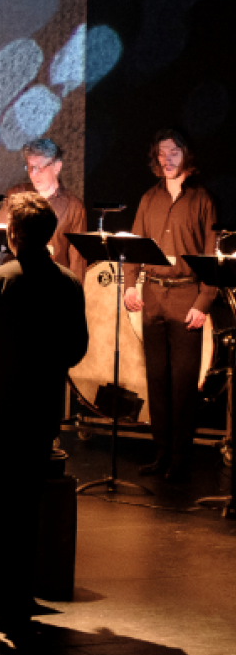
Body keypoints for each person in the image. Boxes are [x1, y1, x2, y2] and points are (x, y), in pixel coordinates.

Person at [0, 192, 88, 624]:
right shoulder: (67, 283)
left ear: (11, 234)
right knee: (27, 504)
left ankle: (2, 598)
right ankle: (21, 596)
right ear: (51, 235)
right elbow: (76, 349)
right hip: (41, 409)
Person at [123, 129, 216, 482]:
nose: (167, 159)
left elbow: (211, 255)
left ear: (185, 155)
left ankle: (180, 457)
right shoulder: (149, 198)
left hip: (185, 296)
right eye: (161, 153)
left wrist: (204, 301)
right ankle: (161, 452)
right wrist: (131, 285)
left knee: (182, 382)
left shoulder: (203, 199)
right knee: (157, 380)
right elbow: (134, 244)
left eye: (173, 151)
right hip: (153, 297)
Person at [0, 138, 86, 282]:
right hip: (17, 281)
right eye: (30, 167)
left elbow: (77, 262)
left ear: (57, 167)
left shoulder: (74, 207)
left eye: (40, 167)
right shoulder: (15, 195)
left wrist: (75, 295)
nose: (33, 173)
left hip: (53, 284)